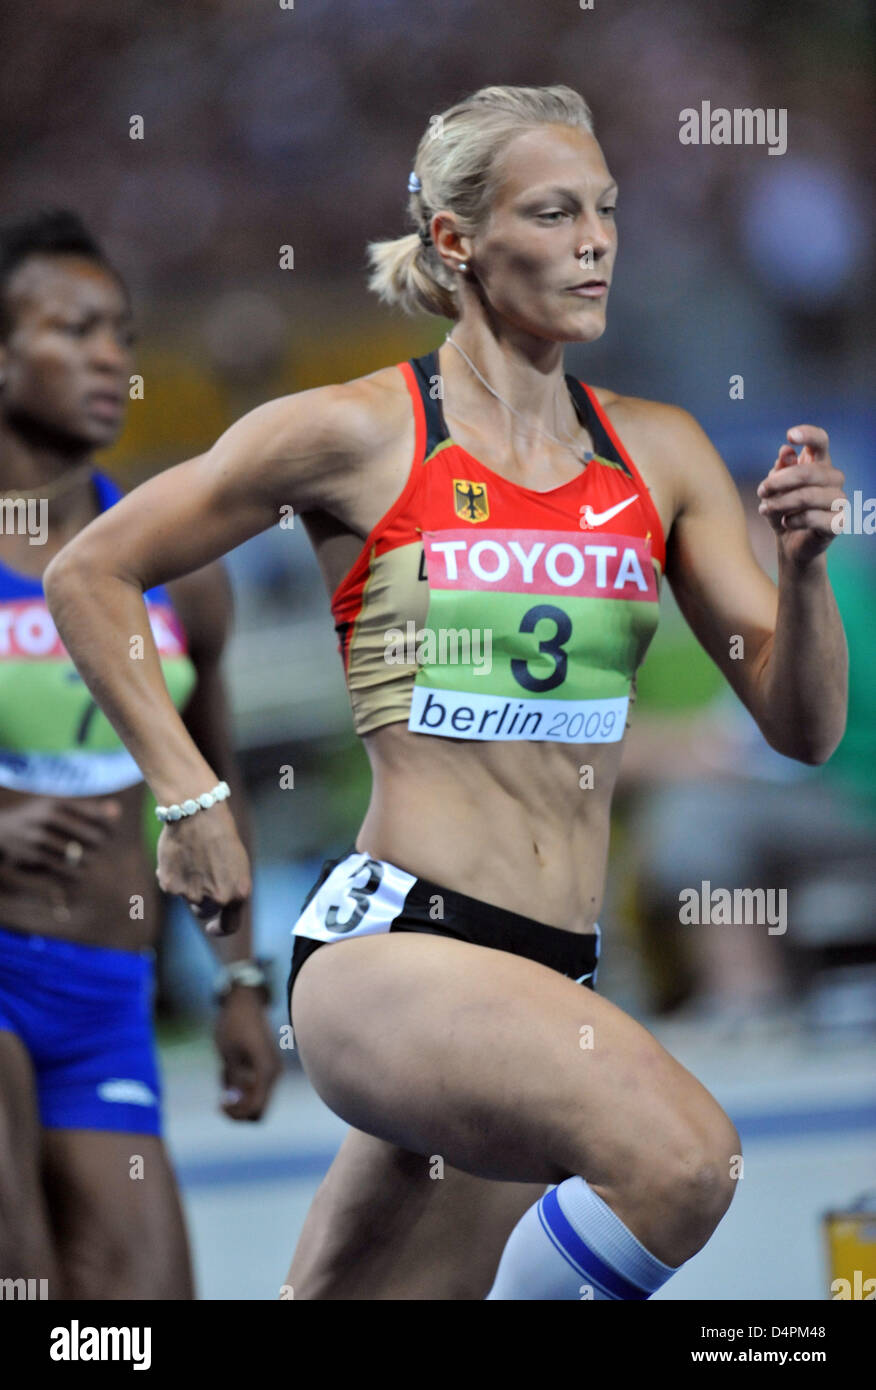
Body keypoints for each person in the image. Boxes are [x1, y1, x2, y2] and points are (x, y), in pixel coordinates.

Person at [43, 85, 848, 1301]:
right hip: (398, 951)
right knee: (686, 1162)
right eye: (554, 211)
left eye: (608, 210)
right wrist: (189, 791)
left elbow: (803, 726)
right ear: (458, 238)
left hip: (546, 986)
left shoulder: (662, 450)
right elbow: (90, 571)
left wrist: (802, 567)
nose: (595, 240)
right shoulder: (358, 431)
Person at [0, 210, 280, 1299]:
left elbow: (217, 781)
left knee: (137, 1321)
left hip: (109, 989)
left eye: (121, 329)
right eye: (75, 329)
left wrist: (240, 979)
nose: (114, 354)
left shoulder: (180, 566)